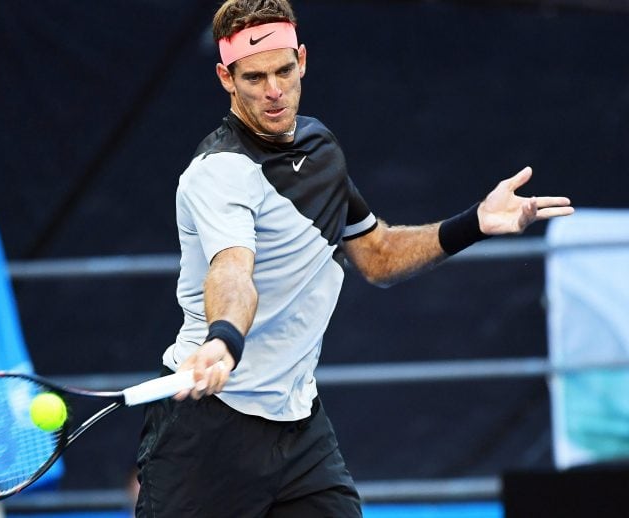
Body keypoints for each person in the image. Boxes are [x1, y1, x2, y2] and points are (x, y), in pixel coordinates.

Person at [134, 1, 574, 516]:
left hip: (299, 430)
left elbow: (378, 255)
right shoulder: (218, 172)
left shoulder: (320, 147)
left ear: (302, 60)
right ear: (225, 78)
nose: (273, 90)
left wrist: (473, 222)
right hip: (208, 432)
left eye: (283, 70)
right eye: (254, 77)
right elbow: (233, 269)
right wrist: (224, 340)